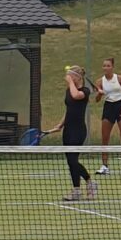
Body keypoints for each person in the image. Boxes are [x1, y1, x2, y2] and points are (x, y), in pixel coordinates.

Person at [51, 65, 94, 203]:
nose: (68, 78)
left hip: (79, 130)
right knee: (70, 161)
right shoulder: (69, 90)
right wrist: (60, 125)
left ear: (78, 77)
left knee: (73, 160)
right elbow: (69, 109)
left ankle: (88, 183)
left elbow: (76, 96)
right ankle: (77, 190)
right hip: (68, 130)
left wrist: (70, 82)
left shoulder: (85, 91)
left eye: (71, 76)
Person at [96, 56, 121, 174]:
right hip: (108, 107)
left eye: (108, 66)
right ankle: (105, 166)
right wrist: (99, 93)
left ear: (112, 67)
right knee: (105, 138)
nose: (106, 68)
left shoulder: (120, 79)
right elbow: (97, 100)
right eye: (104, 66)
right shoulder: (99, 81)